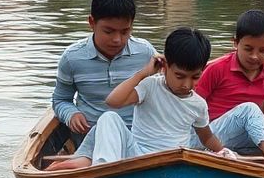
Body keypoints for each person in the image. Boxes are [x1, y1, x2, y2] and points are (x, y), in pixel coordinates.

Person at [54, 27, 236, 168]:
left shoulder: (198, 104)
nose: (187, 84)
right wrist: (143, 74)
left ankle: (86, 161)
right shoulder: (150, 86)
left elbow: (206, 138)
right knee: (108, 118)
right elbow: (113, 101)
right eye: (180, 76)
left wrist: (223, 151)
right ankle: (103, 169)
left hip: (175, 161)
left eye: (195, 77)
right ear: (165, 68)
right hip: (137, 155)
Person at [47, 0, 155, 171]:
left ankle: (90, 166)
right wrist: (72, 114)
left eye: (125, 32)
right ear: (92, 23)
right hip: (90, 137)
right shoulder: (72, 58)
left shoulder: (145, 53)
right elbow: (60, 100)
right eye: (109, 31)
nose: (117, 40)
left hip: (135, 138)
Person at [193, 9, 264, 169]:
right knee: (250, 109)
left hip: (239, 136)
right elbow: (193, 105)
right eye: (248, 49)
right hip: (208, 135)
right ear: (235, 43)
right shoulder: (216, 69)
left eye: (262, 51)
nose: (254, 56)